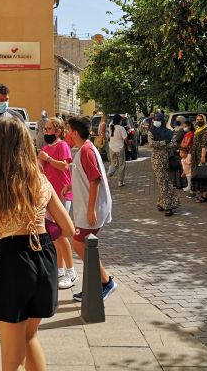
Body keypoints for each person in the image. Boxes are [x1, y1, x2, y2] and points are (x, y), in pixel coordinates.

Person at [0, 118, 75, 371]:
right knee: (31, 336)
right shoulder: (40, 181)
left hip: (14, 260)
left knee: (11, 356)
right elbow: (68, 229)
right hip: (44, 257)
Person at [62, 115, 117, 302]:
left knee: (79, 244)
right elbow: (86, 176)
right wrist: (71, 186)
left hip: (91, 208)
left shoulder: (86, 150)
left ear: (75, 133)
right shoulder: (84, 149)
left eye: (68, 131)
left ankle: (106, 282)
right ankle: (96, 284)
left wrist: (91, 209)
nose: (66, 134)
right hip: (88, 207)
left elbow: (95, 180)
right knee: (83, 245)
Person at [37, 117, 78, 289]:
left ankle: (71, 271)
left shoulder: (62, 146)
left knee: (60, 234)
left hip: (60, 194)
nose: (46, 132)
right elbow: (40, 169)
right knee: (53, 235)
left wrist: (48, 159)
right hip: (47, 195)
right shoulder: (45, 148)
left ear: (58, 131)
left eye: (49, 129)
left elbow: (65, 167)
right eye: (45, 129)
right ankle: (59, 270)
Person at [148, 113, 180, 215]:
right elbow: (151, 143)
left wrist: (160, 145)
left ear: (162, 121)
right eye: (155, 120)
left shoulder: (169, 132)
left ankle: (168, 206)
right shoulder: (151, 131)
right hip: (157, 160)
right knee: (162, 181)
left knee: (164, 182)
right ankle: (163, 203)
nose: (156, 122)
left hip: (166, 159)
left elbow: (174, 143)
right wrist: (164, 143)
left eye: (158, 120)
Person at [191, 114, 207, 203]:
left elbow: (205, 144)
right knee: (199, 174)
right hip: (196, 155)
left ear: (204, 120)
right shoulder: (198, 129)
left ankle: (205, 195)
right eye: (197, 119)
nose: (198, 121)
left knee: (205, 174)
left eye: (201, 119)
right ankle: (202, 194)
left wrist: (203, 156)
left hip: (204, 155)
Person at [107, 114, 128, 187]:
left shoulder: (110, 127)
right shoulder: (121, 128)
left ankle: (108, 175)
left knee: (114, 164)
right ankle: (120, 181)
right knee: (121, 164)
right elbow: (126, 139)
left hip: (111, 148)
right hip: (120, 148)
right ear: (120, 121)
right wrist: (129, 146)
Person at [179, 120, 195, 194]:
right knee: (186, 170)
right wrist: (183, 146)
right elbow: (182, 143)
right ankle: (189, 186)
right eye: (183, 126)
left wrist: (183, 146)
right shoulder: (186, 134)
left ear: (189, 126)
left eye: (185, 126)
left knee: (189, 171)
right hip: (186, 153)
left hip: (189, 153)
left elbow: (186, 143)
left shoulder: (191, 134)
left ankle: (190, 187)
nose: (184, 128)